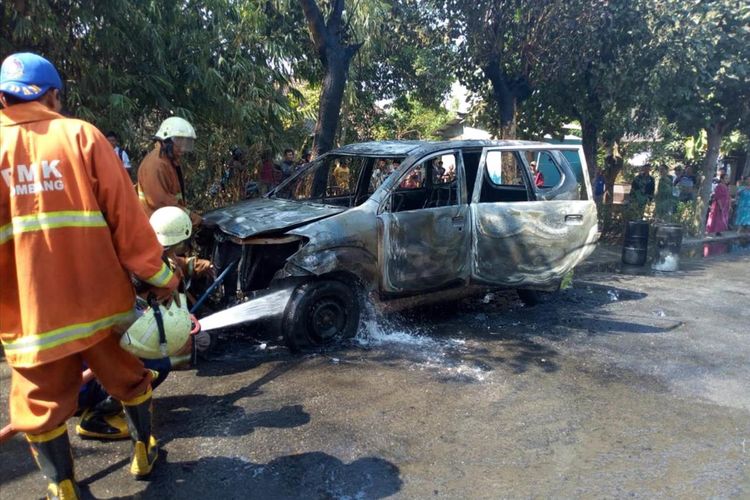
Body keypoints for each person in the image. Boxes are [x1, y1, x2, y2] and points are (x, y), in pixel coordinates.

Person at [0, 52, 179, 498]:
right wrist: (161, 276)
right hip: (99, 304)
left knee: (39, 407)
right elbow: (127, 218)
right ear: (54, 94)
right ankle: (143, 453)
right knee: (131, 377)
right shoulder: (80, 136)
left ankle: (63, 487)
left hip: (30, 317)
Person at [76, 206, 211, 440]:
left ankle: (109, 400)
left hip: (75, 382)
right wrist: (176, 337)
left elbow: (171, 264)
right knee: (160, 362)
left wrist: (193, 265)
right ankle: (98, 417)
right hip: (80, 389)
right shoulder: (124, 299)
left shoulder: (131, 261)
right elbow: (140, 331)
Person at [137, 116, 202, 227]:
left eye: (186, 144)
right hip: (157, 228)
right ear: (166, 141)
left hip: (168, 224)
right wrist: (192, 218)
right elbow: (162, 203)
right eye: (179, 143)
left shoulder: (169, 161)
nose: (182, 149)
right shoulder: (156, 165)